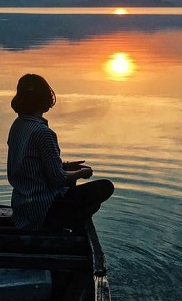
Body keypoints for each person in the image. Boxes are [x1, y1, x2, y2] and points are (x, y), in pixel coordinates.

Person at [7, 73, 114, 230]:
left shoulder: (17, 126)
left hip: (22, 208)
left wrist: (65, 166)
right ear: (44, 98)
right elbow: (58, 179)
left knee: (77, 192)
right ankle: (64, 222)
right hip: (44, 210)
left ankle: (69, 218)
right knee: (105, 187)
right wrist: (82, 172)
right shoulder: (43, 132)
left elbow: (29, 166)